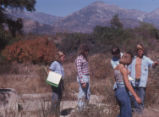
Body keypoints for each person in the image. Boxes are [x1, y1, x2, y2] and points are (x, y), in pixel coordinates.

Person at [129, 43, 159, 112]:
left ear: (143, 51)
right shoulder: (133, 59)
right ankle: (134, 114)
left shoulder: (146, 59)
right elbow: (129, 70)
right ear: (136, 51)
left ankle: (140, 114)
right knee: (133, 99)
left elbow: (152, 65)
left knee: (141, 100)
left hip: (141, 82)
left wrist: (155, 63)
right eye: (138, 50)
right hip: (133, 82)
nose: (140, 51)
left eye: (141, 50)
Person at [114, 52, 141, 117]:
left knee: (122, 112)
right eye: (131, 59)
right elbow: (127, 84)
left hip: (118, 91)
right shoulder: (123, 69)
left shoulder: (116, 67)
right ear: (128, 59)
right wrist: (136, 96)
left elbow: (117, 79)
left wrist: (126, 73)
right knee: (127, 113)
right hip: (123, 92)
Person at [49, 51, 65, 117]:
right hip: (55, 82)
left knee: (59, 98)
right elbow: (50, 71)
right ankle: (52, 114)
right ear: (59, 57)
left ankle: (57, 114)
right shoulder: (55, 63)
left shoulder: (60, 64)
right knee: (55, 98)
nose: (64, 57)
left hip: (60, 82)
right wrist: (53, 81)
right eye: (63, 56)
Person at [75, 44, 90, 111]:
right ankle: (80, 109)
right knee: (82, 93)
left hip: (87, 76)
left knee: (88, 92)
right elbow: (79, 71)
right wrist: (82, 81)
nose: (87, 52)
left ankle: (85, 107)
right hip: (83, 77)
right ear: (83, 51)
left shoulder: (85, 58)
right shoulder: (79, 58)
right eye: (86, 51)